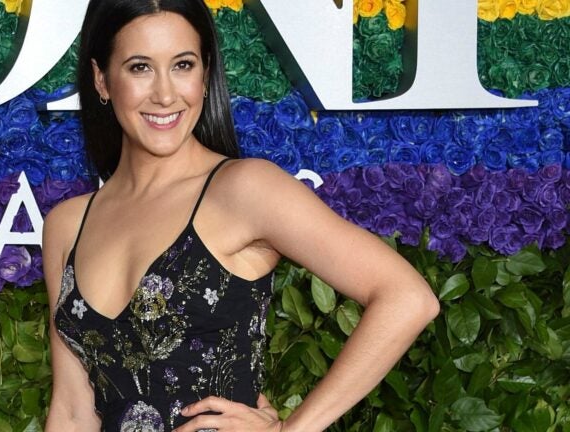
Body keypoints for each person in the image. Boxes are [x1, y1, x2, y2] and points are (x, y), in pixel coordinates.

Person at [42, 0, 440, 431]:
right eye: (140, 68)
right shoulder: (67, 225)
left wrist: (292, 430)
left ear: (205, 75)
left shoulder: (243, 190)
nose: (165, 94)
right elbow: (72, 410)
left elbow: (407, 298)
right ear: (101, 80)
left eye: (183, 65)